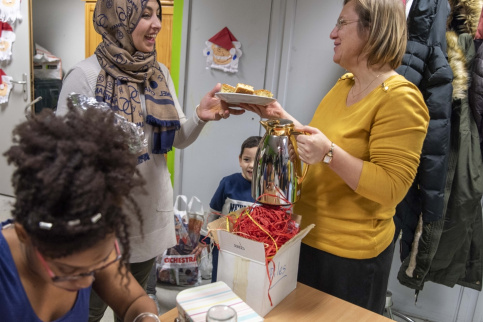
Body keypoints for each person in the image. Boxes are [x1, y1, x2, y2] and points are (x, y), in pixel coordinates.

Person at [55, 0, 243, 320]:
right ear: (118, 18)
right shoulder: (84, 76)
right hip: (100, 228)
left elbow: (177, 138)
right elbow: (61, 163)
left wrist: (200, 117)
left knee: (134, 311)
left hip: (148, 220)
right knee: (86, 314)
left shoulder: (159, 74)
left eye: (158, 14)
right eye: (145, 14)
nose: (157, 23)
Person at [239, 0, 430, 315]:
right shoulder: (344, 85)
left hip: (349, 260)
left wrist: (329, 154)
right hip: (306, 238)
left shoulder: (401, 99)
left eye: (342, 23)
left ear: (374, 29)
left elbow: (392, 187)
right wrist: (280, 116)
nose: (332, 33)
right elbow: (317, 145)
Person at [0, 106, 160, 322]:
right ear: (24, 234)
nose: (87, 283)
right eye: (68, 271)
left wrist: (146, 316)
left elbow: (134, 302)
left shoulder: (89, 244)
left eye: (96, 266)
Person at [208, 135, 262, 282]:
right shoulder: (228, 183)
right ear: (240, 160)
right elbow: (214, 212)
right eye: (247, 160)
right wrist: (204, 239)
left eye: (258, 161)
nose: (251, 165)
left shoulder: (268, 190)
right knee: (220, 280)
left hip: (252, 249)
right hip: (224, 246)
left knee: (247, 282)